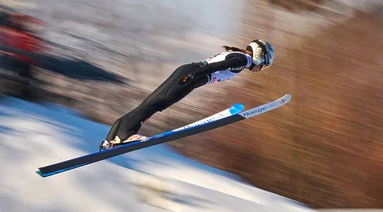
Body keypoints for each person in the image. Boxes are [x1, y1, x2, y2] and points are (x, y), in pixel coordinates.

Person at [99, 39, 275, 150]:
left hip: (191, 73)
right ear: (260, 56)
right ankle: (124, 136)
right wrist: (192, 76)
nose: (261, 69)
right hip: (192, 75)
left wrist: (193, 75)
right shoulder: (243, 60)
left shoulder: (240, 58)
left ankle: (112, 138)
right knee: (156, 103)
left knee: (152, 102)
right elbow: (216, 67)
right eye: (265, 65)